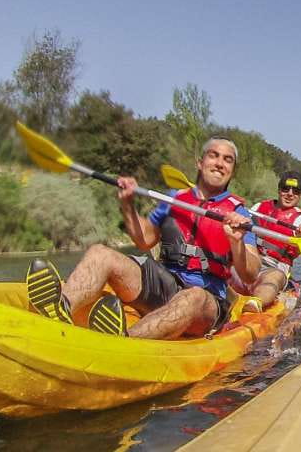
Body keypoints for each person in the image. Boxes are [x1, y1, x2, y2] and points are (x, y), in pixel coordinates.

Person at [24, 137, 260, 339]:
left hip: (206, 303)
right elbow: (145, 241)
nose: (219, 163)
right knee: (100, 253)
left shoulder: (238, 214)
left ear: (232, 170)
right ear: (200, 163)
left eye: (227, 160)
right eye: (213, 155)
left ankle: (126, 340)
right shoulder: (173, 199)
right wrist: (127, 204)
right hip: (165, 283)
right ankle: (60, 310)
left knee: (194, 296)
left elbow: (250, 274)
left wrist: (236, 242)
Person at [237, 171, 301, 312]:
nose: (289, 194)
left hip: (276, 266)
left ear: (300, 196)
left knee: (275, 277)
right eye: (285, 189)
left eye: (295, 191)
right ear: (279, 190)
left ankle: (255, 303)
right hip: (251, 257)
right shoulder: (258, 208)